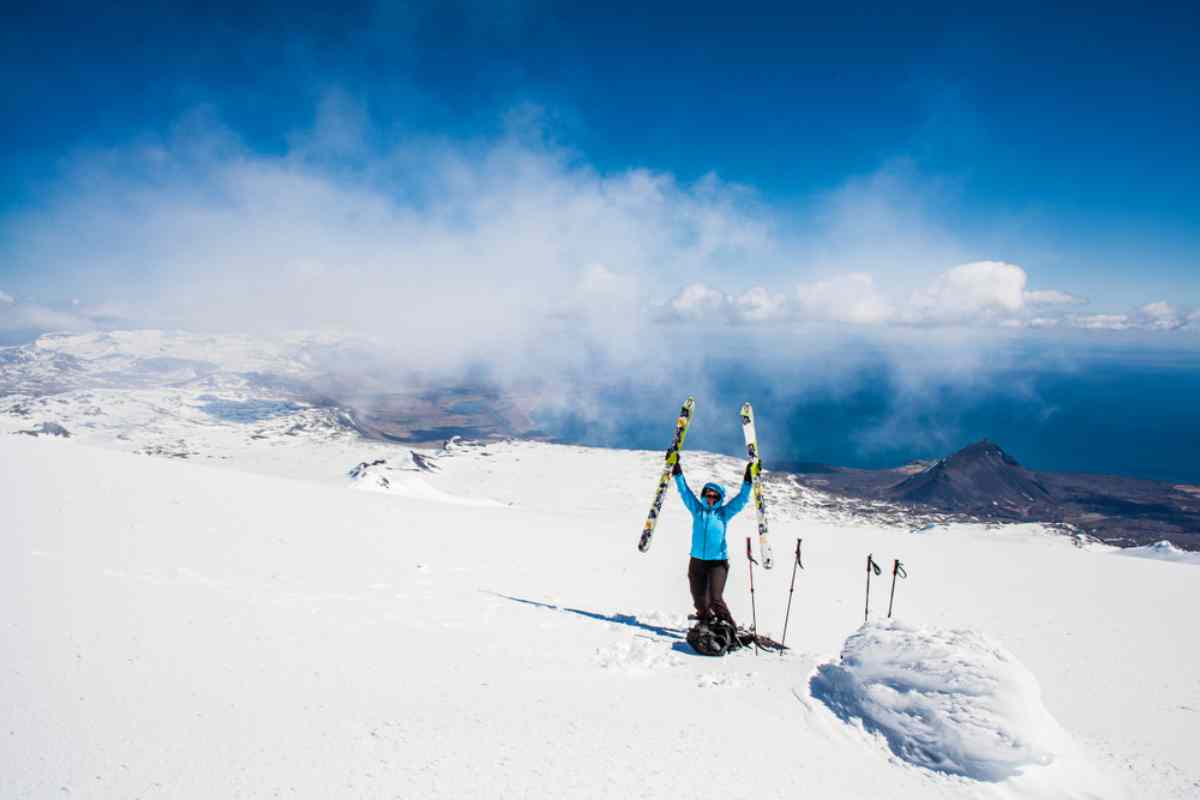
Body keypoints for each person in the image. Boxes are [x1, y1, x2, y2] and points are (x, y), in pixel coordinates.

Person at [670, 455, 756, 627]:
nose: (710, 498)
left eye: (714, 497)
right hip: (697, 562)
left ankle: (730, 626)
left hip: (717, 563)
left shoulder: (723, 514)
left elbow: (741, 500)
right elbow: (684, 492)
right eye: (708, 495)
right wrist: (676, 469)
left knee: (715, 598)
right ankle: (706, 623)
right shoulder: (697, 510)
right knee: (700, 601)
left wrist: (748, 478)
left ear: (719, 499)